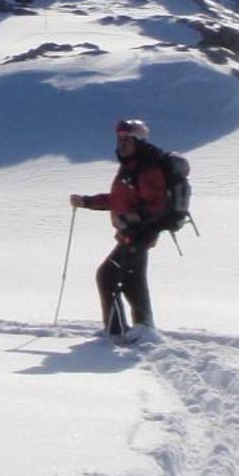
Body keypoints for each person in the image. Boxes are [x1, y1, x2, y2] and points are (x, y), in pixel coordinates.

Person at [70, 117, 173, 341]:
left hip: (138, 234)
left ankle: (116, 332)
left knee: (107, 276)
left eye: (127, 139)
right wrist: (87, 201)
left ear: (138, 141)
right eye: (119, 139)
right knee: (131, 282)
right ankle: (143, 329)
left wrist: (137, 218)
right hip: (132, 234)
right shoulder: (132, 167)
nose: (121, 143)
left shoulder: (147, 169)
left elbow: (157, 204)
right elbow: (118, 200)